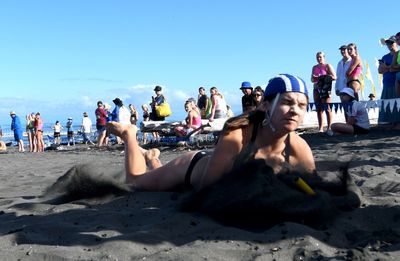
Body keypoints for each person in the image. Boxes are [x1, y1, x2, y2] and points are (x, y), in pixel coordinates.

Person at [106, 73, 315, 191]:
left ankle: (152, 158)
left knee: (155, 173)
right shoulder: (237, 135)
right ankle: (129, 135)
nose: (295, 110)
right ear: (265, 106)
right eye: (287, 102)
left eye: (302, 105)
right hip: (192, 169)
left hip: (214, 163)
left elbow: (313, 191)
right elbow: (208, 189)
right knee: (134, 183)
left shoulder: (298, 149)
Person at [311, 51, 336, 133]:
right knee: (318, 109)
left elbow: (334, 77)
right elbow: (312, 79)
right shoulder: (314, 67)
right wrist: (315, 78)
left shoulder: (327, 66)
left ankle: (329, 127)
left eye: (320, 57)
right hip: (316, 88)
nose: (319, 59)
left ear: (324, 57)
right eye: (317, 57)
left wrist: (322, 77)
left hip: (325, 88)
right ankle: (320, 128)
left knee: (327, 108)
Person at [378, 36, 400, 129]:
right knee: (388, 104)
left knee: (396, 103)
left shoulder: (398, 54)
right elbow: (380, 70)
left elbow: (395, 68)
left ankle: (397, 123)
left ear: (396, 43)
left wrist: (386, 67)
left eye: (391, 43)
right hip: (386, 83)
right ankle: (392, 124)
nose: (389, 45)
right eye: (387, 43)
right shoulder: (385, 57)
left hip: (396, 82)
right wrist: (389, 68)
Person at [390, 32, 400, 97]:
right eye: (396, 40)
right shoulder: (398, 53)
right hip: (398, 77)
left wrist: (396, 67)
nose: (397, 41)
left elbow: (393, 66)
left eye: (399, 39)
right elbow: (391, 67)